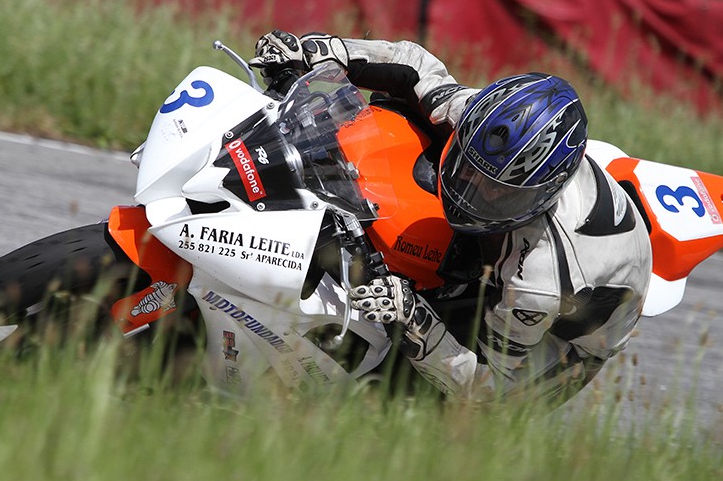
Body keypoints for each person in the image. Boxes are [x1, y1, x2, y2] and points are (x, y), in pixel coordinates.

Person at [249, 30, 653, 406]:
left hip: (555, 345)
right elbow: (414, 65)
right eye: (469, 169)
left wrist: (414, 318)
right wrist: (322, 51)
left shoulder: (539, 281)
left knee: (406, 402)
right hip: (536, 244)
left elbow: (486, 385)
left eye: (498, 191)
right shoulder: (487, 122)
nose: (475, 191)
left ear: (543, 193)